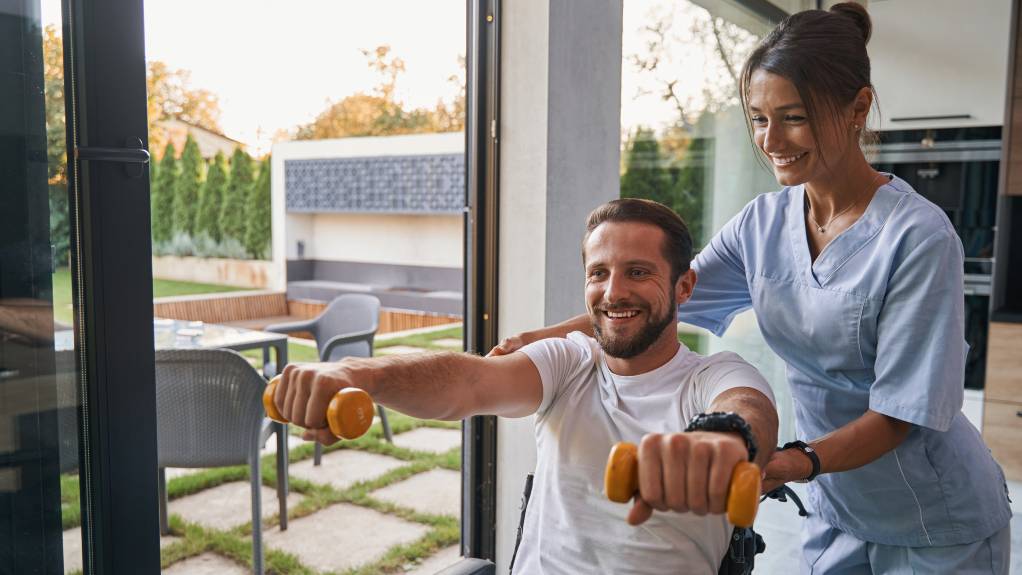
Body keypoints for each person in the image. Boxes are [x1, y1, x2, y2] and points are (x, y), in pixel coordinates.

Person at [491, 4, 1012, 573]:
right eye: (759, 118)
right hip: (835, 505)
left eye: (794, 117)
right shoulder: (762, 223)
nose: (772, 140)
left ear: (858, 107)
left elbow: (901, 413)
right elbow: (654, 304)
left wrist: (787, 462)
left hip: (935, 518)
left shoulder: (917, 236)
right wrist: (540, 338)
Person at [274, 198, 778, 574]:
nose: (613, 291)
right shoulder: (571, 359)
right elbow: (467, 382)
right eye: (598, 273)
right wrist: (359, 374)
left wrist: (723, 439)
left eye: (638, 272)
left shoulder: (712, 376)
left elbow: (747, 410)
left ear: (683, 286)